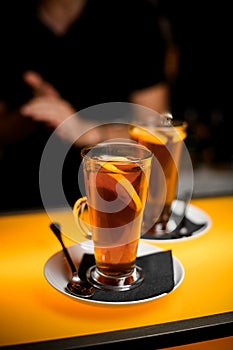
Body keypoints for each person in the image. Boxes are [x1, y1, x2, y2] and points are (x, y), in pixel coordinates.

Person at [0, 0, 171, 211]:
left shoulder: (135, 19)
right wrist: (32, 112)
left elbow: (159, 135)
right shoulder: (8, 21)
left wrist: (90, 133)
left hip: (113, 202)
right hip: (18, 202)